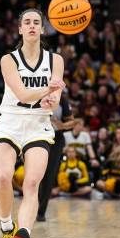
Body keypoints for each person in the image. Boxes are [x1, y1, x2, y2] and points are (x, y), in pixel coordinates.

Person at [0, 8, 65, 238]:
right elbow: (22, 94)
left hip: (38, 124)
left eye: (37, 22)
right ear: (20, 29)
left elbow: (54, 100)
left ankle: (23, 234)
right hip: (10, 121)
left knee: (32, 183)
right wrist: (50, 89)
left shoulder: (56, 60)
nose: (32, 25)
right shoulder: (8, 60)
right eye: (27, 22)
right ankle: (6, 228)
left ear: (42, 29)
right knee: (2, 177)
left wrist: (53, 99)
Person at [37, 93, 74, 222]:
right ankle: (31, 205)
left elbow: (72, 122)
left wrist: (62, 126)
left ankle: (41, 211)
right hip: (37, 137)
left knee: (49, 175)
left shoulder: (62, 99)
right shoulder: (35, 94)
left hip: (56, 139)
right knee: (35, 174)